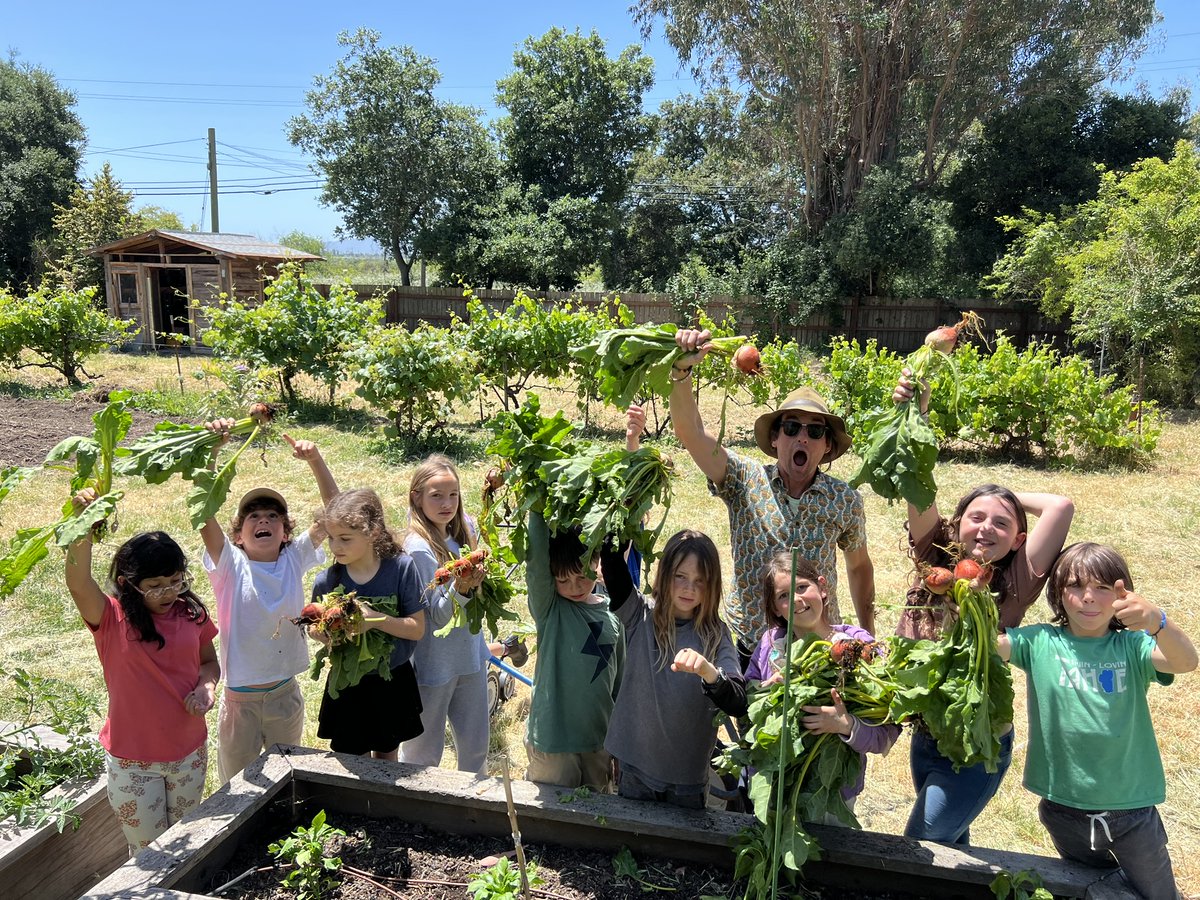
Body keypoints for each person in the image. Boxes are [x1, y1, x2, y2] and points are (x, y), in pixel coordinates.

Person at [893, 371, 1075, 845]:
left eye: (1001, 523)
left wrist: (1003, 493)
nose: (986, 528)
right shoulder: (934, 555)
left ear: (1018, 539)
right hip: (927, 732)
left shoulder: (1016, 581)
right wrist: (919, 414)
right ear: (956, 525)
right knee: (954, 845)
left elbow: (1060, 505)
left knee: (923, 845)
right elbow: (915, 482)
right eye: (976, 517)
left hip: (977, 736)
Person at [998, 543, 1196, 900]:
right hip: (1063, 806)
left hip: (1130, 808)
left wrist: (1158, 622)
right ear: (1058, 594)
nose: (1088, 598)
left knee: (1158, 894)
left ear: (1122, 595)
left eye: (1102, 588)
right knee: (1090, 888)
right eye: (1075, 586)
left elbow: (1185, 661)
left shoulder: (1131, 647)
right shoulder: (1040, 641)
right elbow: (987, 644)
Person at [670, 329, 875, 664]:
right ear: (777, 438)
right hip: (753, 643)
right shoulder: (744, 479)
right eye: (792, 428)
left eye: (815, 431)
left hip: (819, 643)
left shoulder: (844, 499)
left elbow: (859, 567)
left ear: (827, 447)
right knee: (754, 715)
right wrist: (681, 372)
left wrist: (867, 635)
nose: (802, 438)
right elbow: (689, 433)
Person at [64, 492, 219, 855]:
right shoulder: (111, 618)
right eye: (154, 586)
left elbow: (209, 663)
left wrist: (206, 688)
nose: (167, 592)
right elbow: (77, 582)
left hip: (188, 754)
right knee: (149, 854)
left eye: (176, 581)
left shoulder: (192, 615)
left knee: (185, 848)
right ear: (129, 582)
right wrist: (83, 522)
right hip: (133, 761)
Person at [199, 422, 339, 783]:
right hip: (238, 701)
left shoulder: (294, 558)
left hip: (284, 694)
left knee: (287, 782)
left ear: (286, 532)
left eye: (273, 516)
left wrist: (316, 460)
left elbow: (337, 514)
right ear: (238, 535)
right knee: (237, 787)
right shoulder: (230, 564)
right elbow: (203, 513)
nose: (264, 520)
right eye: (254, 517)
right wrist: (214, 452)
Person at [745, 552, 900, 816]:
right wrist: (766, 691)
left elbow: (888, 729)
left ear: (823, 587)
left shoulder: (857, 646)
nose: (796, 600)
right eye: (783, 596)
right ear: (774, 608)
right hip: (779, 784)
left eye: (802, 587)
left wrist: (846, 725)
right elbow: (748, 701)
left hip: (833, 792)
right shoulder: (771, 644)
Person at [600, 529, 746, 808]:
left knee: (677, 848)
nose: (689, 588)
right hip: (634, 769)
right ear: (665, 574)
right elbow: (612, 564)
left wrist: (709, 673)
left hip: (687, 779)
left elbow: (738, 701)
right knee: (633, 842)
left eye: (699, 581)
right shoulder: (640, 615)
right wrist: (626, 511)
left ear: (711, 586)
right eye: (680, 577)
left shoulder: (716, 635)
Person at [310, 489, 426, 760]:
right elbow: (314, 628)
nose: (336, 547)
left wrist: (376, 620)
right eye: (331, 538)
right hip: (348, 682)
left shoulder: (401, 568)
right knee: (352, 761)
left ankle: (387, 803)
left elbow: (417, 628)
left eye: (345, 539)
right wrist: (327, 633)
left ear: (373, 533)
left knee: (388, 761)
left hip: (392, 680)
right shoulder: (327, 581)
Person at [400, 455, 490, 777]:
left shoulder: (466, 530)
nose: (446, 503)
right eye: (436, 495)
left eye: (453, 494)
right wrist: (462, 589)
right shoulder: (419, 549)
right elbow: (436, 618)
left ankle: (475, 808)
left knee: (476, 747)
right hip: (434, 666)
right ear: (417, 497)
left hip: (471, 656)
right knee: (423, 755)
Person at [524, 512, 625, 791]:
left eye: (582, 576)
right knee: (552, 817)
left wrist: (620, 741)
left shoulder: (615, 614)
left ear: (597, 562)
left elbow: (620, 685)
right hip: (553, 741)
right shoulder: (550, 610)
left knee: (595, 817)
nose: (574, 587)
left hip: (598, 741)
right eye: (563, 580)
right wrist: (537, 509)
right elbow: (536, 565)